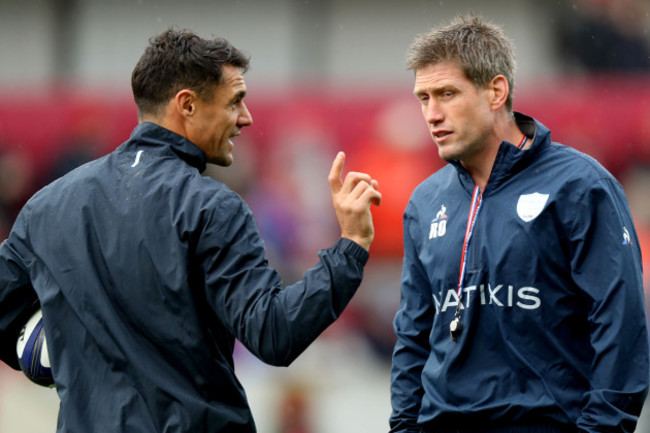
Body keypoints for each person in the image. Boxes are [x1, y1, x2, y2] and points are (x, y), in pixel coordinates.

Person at [0, 28, 381, 432]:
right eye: (235, 101)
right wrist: (350, 247)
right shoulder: (211, 206)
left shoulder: (47, 205)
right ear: (187, 105)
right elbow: (274, 335)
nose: (246, 118)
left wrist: (55, 356)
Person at [389, 15, 649, 433]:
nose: (432, 114)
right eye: (423, 98)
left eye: (447, 94)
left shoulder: (580, 187)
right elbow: (413, 336)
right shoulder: (425, 201)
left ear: (496, 91)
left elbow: (623, 326)